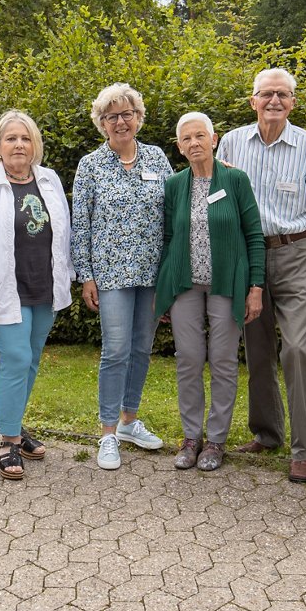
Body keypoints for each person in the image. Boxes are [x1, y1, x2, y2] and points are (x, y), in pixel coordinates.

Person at [216, 68, 306, 483]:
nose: (274, 101)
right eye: (266, 94)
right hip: (249, 256)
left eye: (282, 94)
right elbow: (217, 199)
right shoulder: (230, 143)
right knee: (259, 348)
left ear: (293, 102)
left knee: (298, 350)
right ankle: (267, 434)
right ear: (253, 101)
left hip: (297, 253)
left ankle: (305, 449)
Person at [0, 110, 73, 480]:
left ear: (34, 145)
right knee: (16, 357)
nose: (18, 145)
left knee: (32, 358)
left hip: (44, 285)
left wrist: (66, 275)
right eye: (11, 139)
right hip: (3, 289)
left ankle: (16, 425)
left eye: (25, 138)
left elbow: (63, 232)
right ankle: (8, 440)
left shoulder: (50, 180)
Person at [71, 83, 172, 470]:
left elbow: (171, 214)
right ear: (102, 122)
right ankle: (108, 432)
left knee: (142, 348)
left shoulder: (157, 158)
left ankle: (130, 420)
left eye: (127, 113)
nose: (120, 121)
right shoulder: (90, 165)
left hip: (151, 271)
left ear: (138, 117)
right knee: (116, 350)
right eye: (111, 115)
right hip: (110, 273)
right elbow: (81, 224)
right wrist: (86, 276)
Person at [155, 112, 265, 471]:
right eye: (186, 139)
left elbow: (253, 236)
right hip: (185, 284)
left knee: (222, 361)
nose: (194, 143)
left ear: (214, 139)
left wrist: (256, 287)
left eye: (200, 136)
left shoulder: (235, 179)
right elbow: (168, 238)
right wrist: (165, 287)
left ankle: (216, 440)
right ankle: (191, 437)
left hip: (226, 284)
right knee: (188, 359)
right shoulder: (174, 185)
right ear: (179, 146)